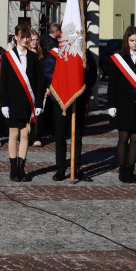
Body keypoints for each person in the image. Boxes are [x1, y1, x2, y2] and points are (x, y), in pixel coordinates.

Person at [106, 27, 136, 184]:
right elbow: (112, 84)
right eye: (132, 40)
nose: (135, 43)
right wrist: (111, 104)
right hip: (123, 104)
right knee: (123, 137)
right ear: (126, 41)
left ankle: (131, 169)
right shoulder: (117, 59)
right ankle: (122, 169)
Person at [46, 47, 98, 182]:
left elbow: (92, 73)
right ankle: (61, 168)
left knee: (78, 134)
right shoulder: (55, 53)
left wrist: (80, 86)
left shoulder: (83, 52)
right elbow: (48, 72)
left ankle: (76, 168)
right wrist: (65, 83)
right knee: (60, 134)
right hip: (60, 97)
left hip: (78, 97)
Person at [0, 23, 44, 182]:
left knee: (25, 134)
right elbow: (3, 81)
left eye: (28, 37)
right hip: (12, 101)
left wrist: (39, 104)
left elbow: (40, 83)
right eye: (23, 37)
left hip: (28, 102)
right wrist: (4, 103)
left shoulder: (33, 57)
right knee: (13, 134)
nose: (26, 40)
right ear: (16, 37)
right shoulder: (8, 56)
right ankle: (13, 168)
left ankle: (21, 167)